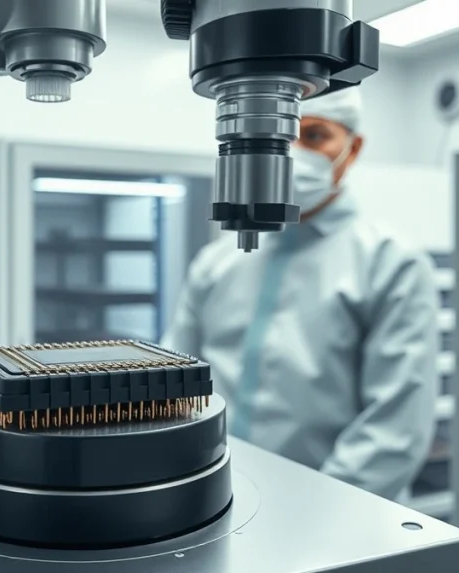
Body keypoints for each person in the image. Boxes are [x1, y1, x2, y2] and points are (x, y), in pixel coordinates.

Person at [162, 87, 438, 500]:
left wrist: (314, 514)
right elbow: (174, 383)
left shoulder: (391, 263)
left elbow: (393, 431)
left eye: (313, 136)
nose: (290, 154)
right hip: (213, 496)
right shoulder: (216, 262)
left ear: (353, 148)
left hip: (338, 515)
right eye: (276, 136)